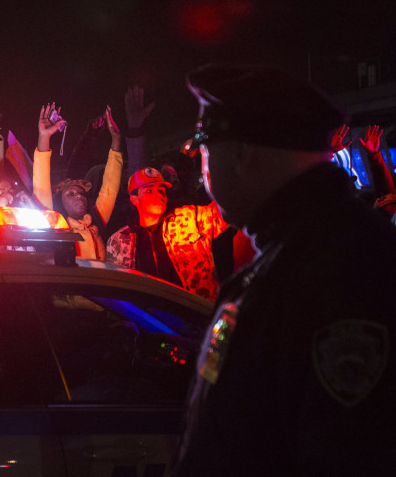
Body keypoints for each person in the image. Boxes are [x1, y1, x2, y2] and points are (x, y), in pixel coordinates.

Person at [169, 64, 396, 476]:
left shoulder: (344, 271)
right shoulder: (308, 252)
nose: (203, 169)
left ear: (243, 155)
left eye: (205, 150)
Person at [106, 167, 229, 301]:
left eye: (161, 189)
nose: (159, 194)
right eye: (149, 190)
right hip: (149, 318)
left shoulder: (188, 218)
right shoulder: (118, 241)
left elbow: (225, 212)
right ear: (134, 200)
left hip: (197, 312)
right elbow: (117, 291)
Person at [33, 103, 123, 260]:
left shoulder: (96, 221)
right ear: (60, 201)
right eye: (70, 194)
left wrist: (116, 138)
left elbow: (110, 186)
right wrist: (44, 137)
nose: (79, 196)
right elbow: (41, 185)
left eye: (81, 193)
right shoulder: (55, 226)